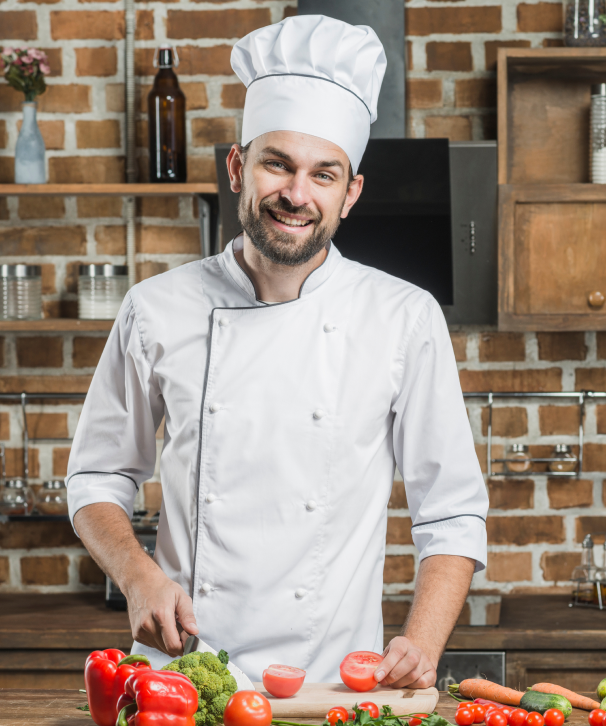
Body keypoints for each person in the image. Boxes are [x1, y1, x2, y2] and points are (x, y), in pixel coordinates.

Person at [67, 14, 488, 688]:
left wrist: (421, 641)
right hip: (183, 680)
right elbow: (96, 477)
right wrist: (138, 577)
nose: (297, 194)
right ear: (238, 167)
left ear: (349, 194)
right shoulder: (155, 308)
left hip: (333, 686)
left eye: (324, 175)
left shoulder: (404, 317)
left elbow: (452, 510)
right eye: (278, 164)